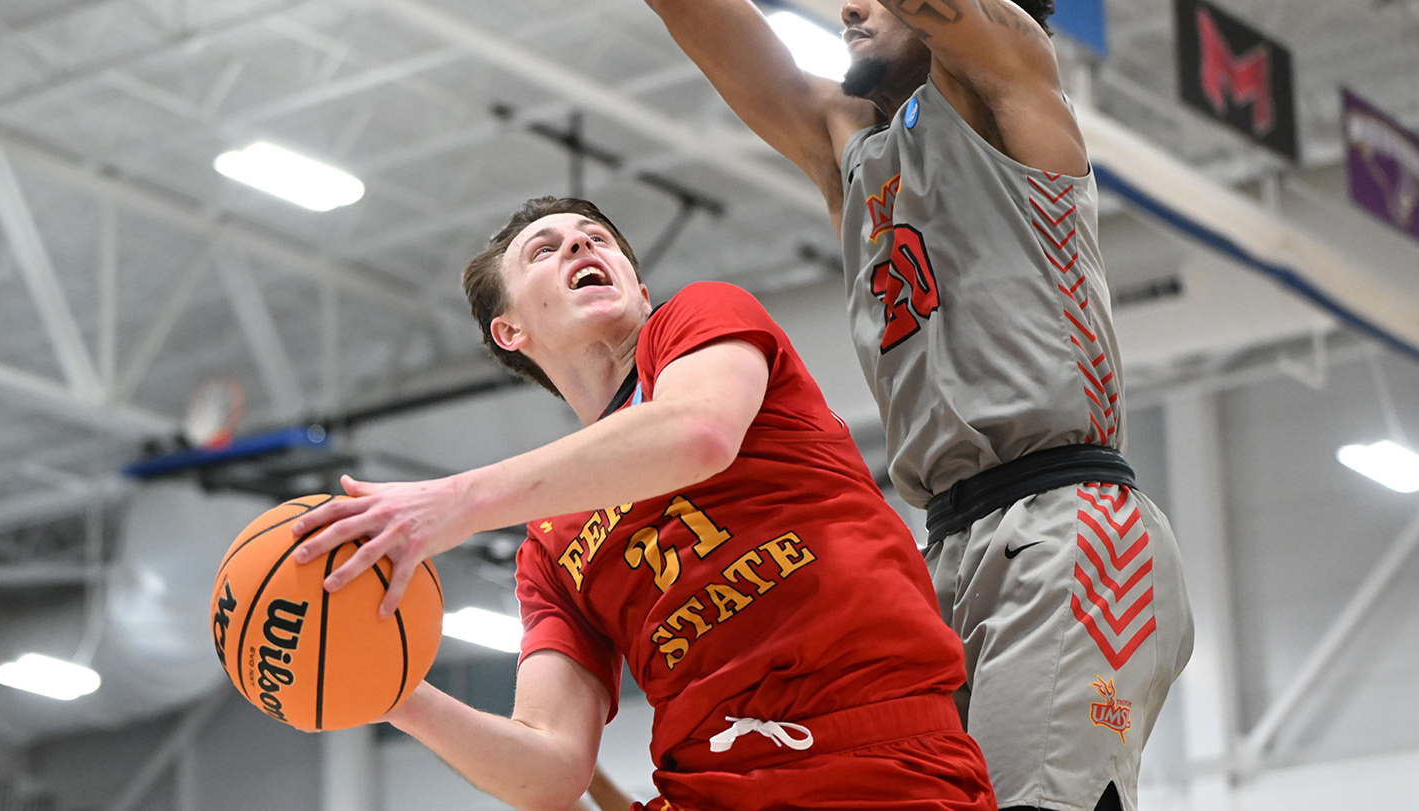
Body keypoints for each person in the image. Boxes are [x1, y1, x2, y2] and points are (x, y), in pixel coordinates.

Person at [633, 2, 1196, 810]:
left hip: (1066, 520)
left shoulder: (1011, 74)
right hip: (939, 552)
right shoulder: (848, 144)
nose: (848, 8)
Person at [293, 197, 994, 811]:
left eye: (597, 238)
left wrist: (456, 501)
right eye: (545, 249)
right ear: (510, 332)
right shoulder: (549, 542)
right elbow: (550, 771)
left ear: (641, 285)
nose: (579, 244)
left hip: (879, 759)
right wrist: (391, 693)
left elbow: (698, 433)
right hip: (709, 786)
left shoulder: (697, 319)